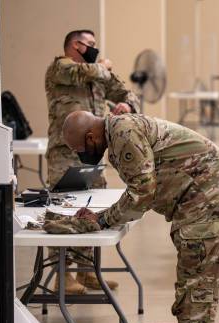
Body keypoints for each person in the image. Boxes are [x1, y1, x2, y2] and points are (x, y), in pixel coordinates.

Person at [62, 111, 219, 323]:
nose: (81, 155)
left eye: (80, 149)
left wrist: (102, 219)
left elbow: (142, 193)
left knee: (197, 282)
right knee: (194, 279)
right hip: (204, 194)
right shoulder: (117, 131)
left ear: (91, 137)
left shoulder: (123, 133)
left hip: (210, 195)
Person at [45, 29, 140, 294]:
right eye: (90, 45)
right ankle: (62, 276)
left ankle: (87, 272)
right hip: (64, 153)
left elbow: (126, 92)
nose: (95, 49)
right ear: (75, 45)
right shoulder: (60, 68)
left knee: (93, 210)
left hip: (93, 151)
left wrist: (127, 107)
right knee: (63, 210)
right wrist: (102, 66)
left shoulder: (96, 70)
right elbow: (92, 72)